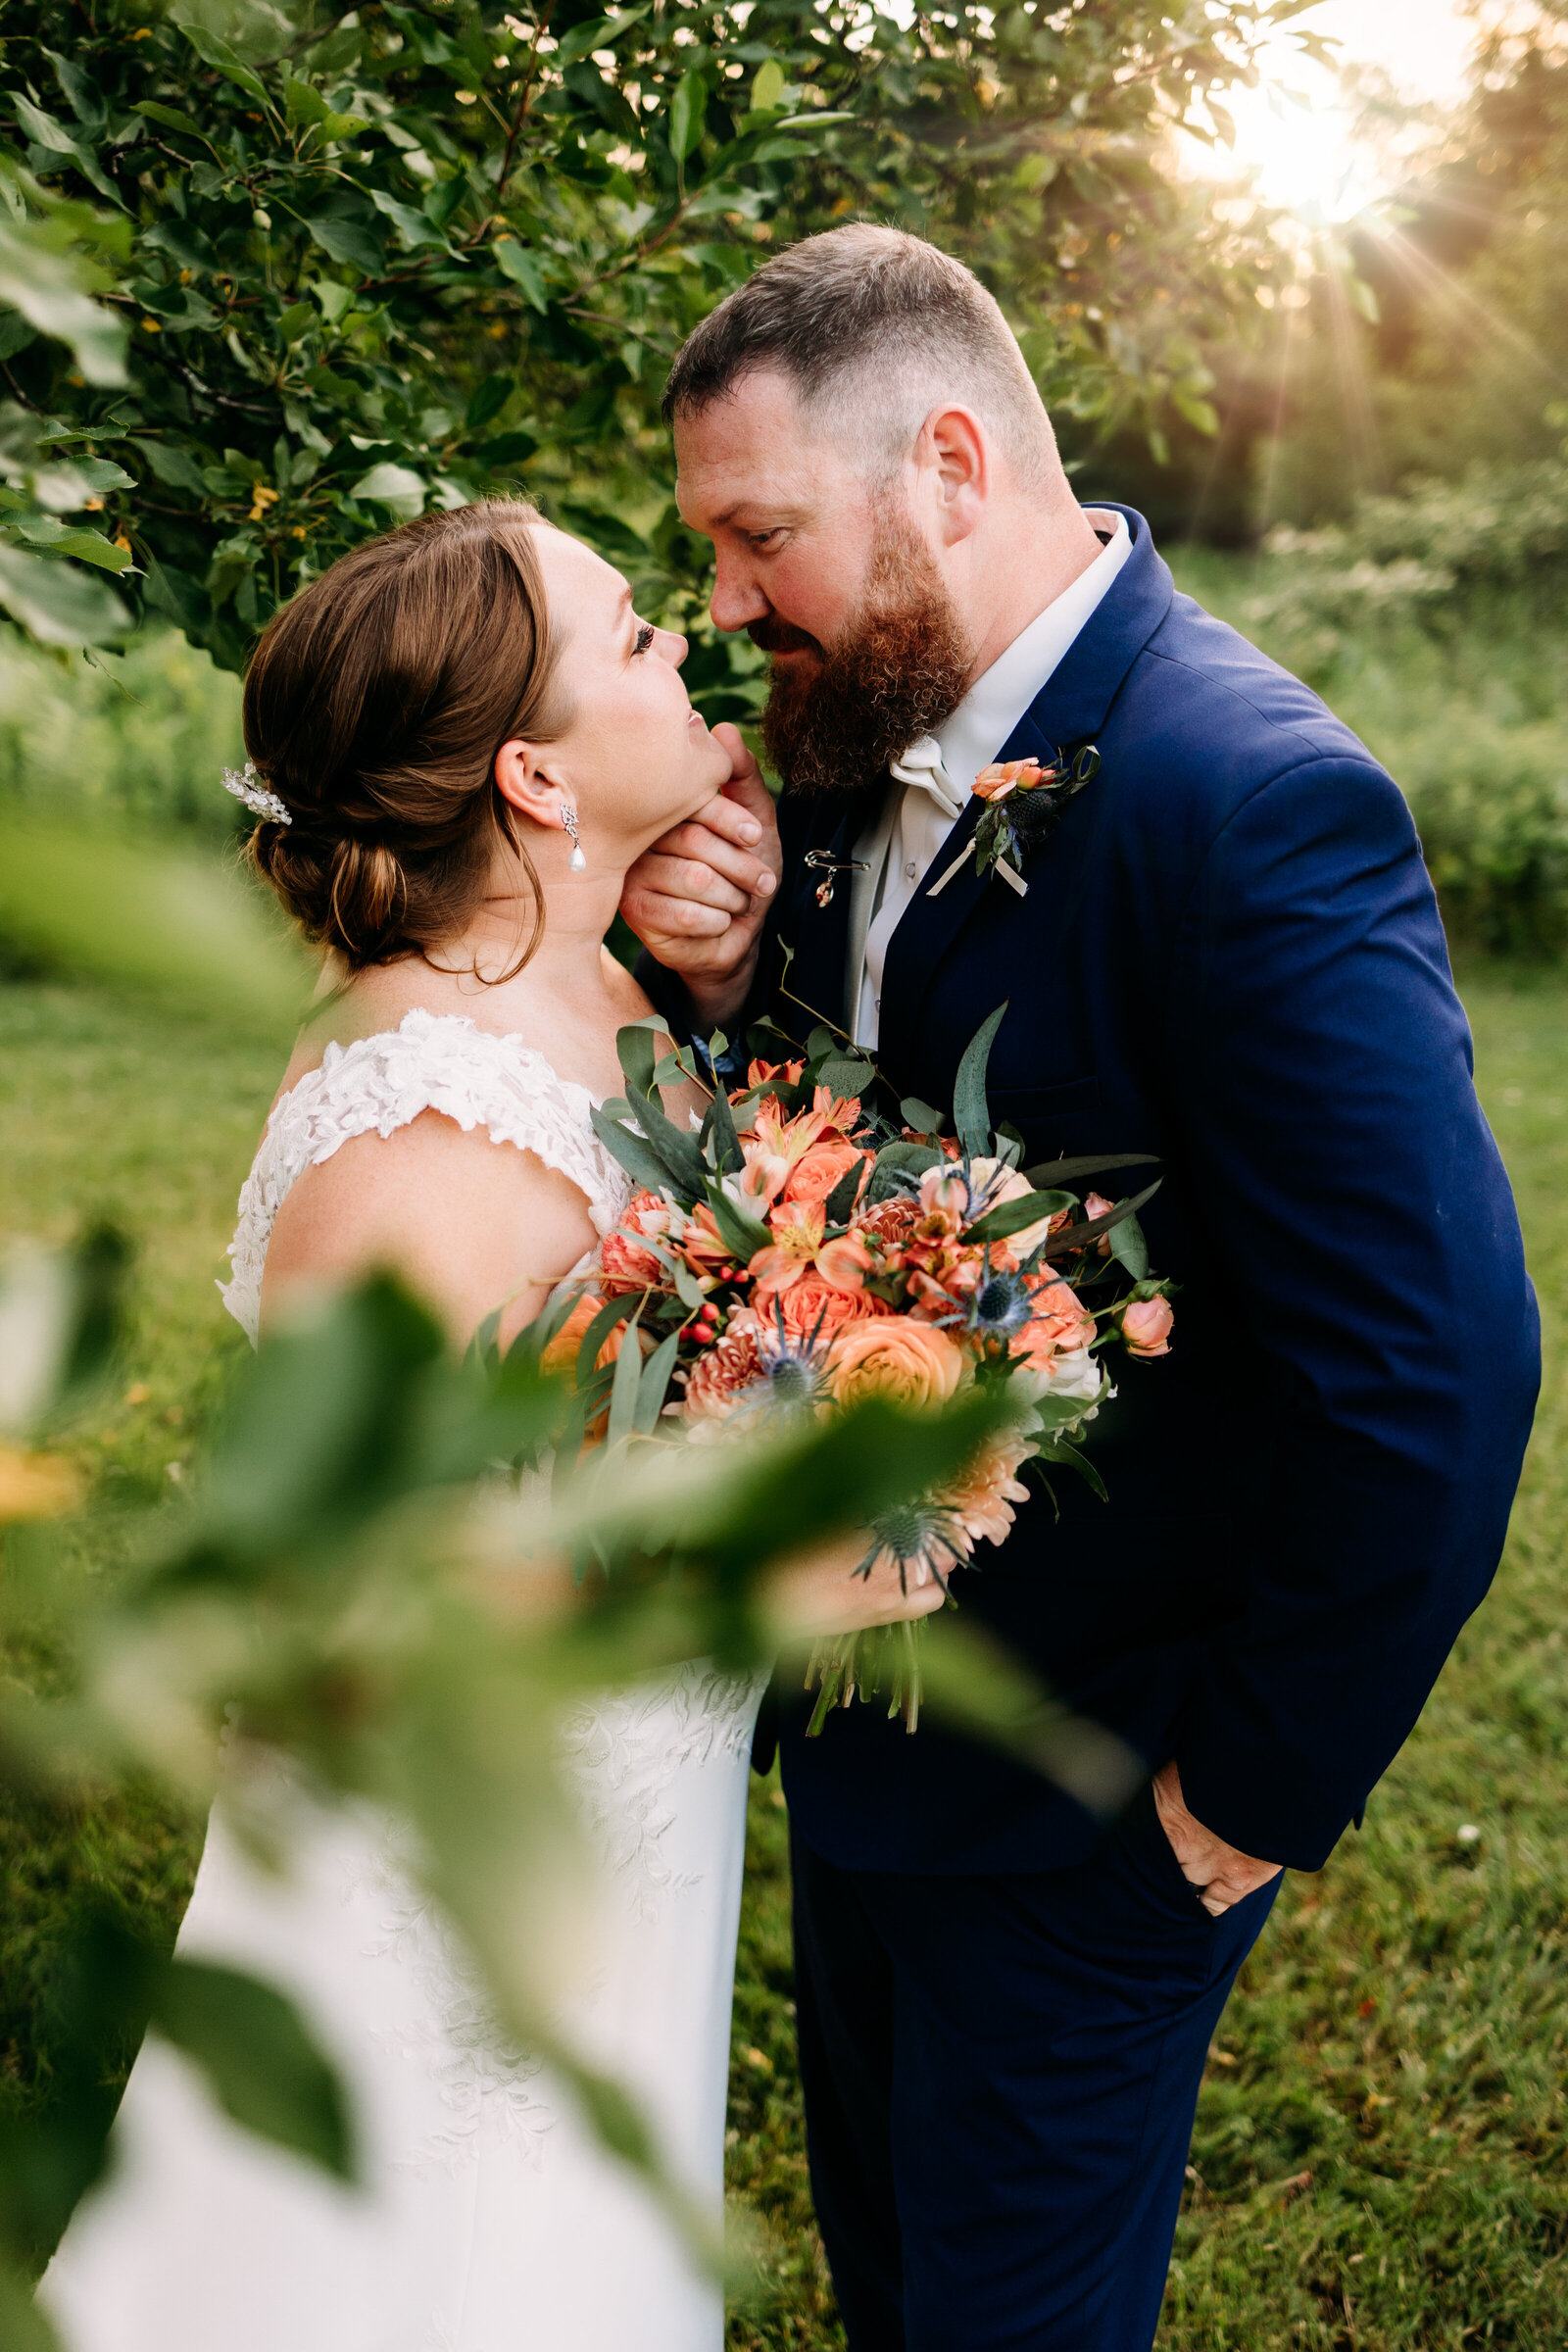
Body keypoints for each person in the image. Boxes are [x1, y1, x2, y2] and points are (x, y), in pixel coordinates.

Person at [621, 225, 1541, 2351]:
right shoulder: (872, 722)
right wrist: (723, 978)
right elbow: (857, 1154)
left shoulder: (1250, 802)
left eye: (756, 536)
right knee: (891, 2282)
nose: (728, 601)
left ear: (944, 461)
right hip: (872, 1748)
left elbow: (1432, 1383)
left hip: (1092, 1812)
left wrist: (1226, 1820)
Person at [38, 500, 944, 2352]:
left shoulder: (594, 991)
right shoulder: (422, 1138)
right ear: (533, 775)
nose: (680, 639)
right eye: (628, 635)